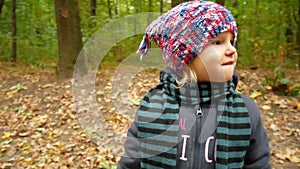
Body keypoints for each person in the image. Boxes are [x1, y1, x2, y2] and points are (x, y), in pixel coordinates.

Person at [117, 1, 271, 168]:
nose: (231, 50)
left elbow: (257, 164)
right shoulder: (153, 106)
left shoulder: (245, 111)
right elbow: (131, 162)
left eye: (231, 42)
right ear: (185, 56)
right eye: (218, 42)